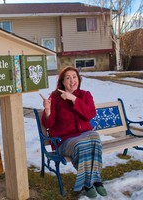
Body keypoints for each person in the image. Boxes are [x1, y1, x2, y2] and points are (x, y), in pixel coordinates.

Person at [40, 66, 107, 198]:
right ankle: (89, 184)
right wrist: (48, 110)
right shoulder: (55, 97)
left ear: (79, 79)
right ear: (62, 82)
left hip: (85, 135)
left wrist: (73, 99)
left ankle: (95, 180)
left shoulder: (85, 95)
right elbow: (49, 123)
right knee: (81, 145)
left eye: (74, 77)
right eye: (68, 78)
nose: (72, 81)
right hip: (65, 140)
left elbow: (89, 114)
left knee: (95, 138)